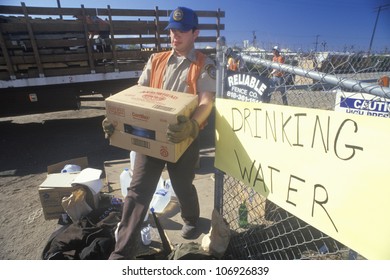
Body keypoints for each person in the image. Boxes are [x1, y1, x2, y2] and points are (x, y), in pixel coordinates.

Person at [102, 6, 216, 260]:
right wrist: (115, 118)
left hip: (184, 138)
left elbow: (206, 102)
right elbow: (137, 96)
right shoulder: (156, 60)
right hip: (149, 136)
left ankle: (191, 217)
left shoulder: (204, 64)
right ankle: (121, 254)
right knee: (137, 190)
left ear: (195, 33)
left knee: (182, 184)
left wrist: (192, 126)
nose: (175, 36)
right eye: (172, 31)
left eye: (182, 31)